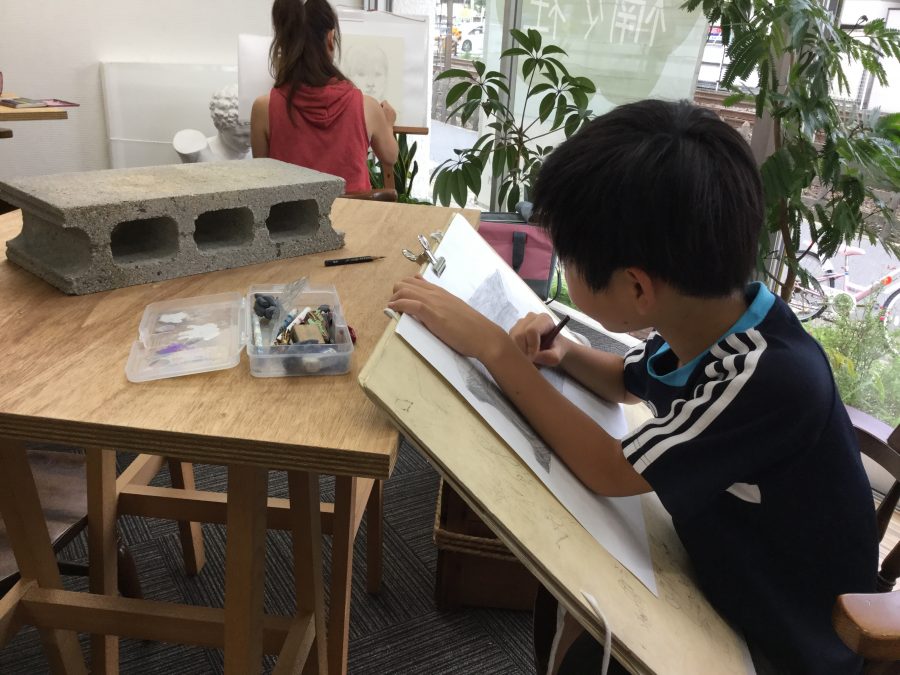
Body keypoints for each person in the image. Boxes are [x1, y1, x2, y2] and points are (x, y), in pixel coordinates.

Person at [389, 99, 878, 674]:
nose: (564, 269)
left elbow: (609, 469)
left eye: (569, 260)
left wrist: (495, 349)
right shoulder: (722, 319)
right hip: (731, 570)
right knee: (579, 600)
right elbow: (629, 381)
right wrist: (565, 354)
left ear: (638, 289)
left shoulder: (767, 377)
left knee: (586, 641)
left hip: (785, 644)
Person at [251, 0, 399, 193]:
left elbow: (262, 180)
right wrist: (388, 123)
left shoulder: (264, 108)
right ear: (331, 38)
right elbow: (390, 156)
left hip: (293, 213)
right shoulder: (366, 106)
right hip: (352, 213)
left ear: (283, 41)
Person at [173, 84, 252, 163]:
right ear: (219, 126)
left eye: (256, 134)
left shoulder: (256, 151)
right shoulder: (199, 152)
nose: (251, 143)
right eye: (242, 136)